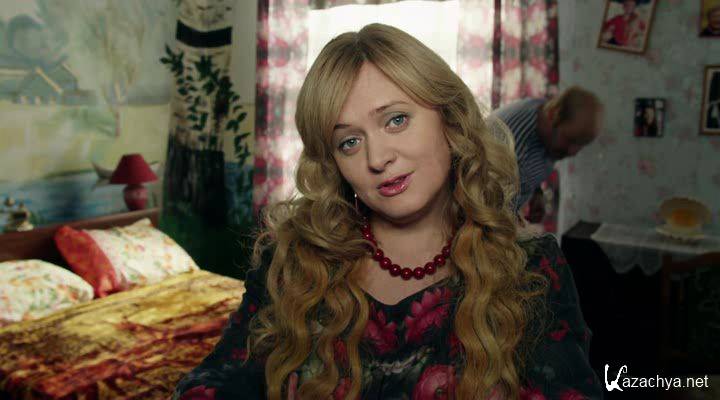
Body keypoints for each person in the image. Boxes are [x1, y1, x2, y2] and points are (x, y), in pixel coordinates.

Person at [172, 23, 602, 400]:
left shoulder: (530, 269)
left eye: (396, 120)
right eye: (349, 142)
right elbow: (220, 379)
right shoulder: (292, 261)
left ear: (449, 119)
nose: (377, 158)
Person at [491, 86, 603, 214]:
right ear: (552, 115)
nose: (573, 152)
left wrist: (536, 193)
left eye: (580, 145)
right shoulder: (512, 148)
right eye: (570, 140)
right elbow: (487, 210)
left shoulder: (544, 114)